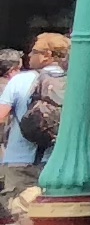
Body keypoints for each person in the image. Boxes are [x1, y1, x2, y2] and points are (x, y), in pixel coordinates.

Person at [1, 29, 67, 197]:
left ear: (47, 55)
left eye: (34, 51)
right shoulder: (72, 80)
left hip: (20, 160)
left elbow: (1, 116)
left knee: (19, 207)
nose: (29, 55)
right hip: (57, 162)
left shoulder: (20, 80)